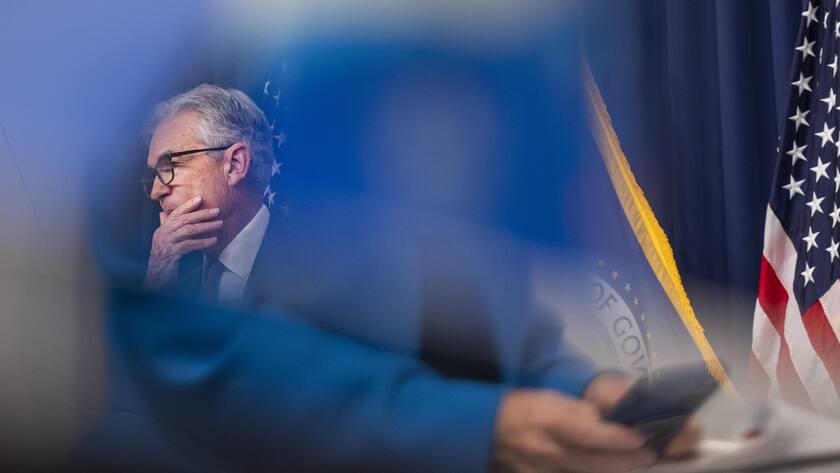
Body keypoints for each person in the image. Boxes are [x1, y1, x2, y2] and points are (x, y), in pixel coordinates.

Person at [116, 83, 699, 472]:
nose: (159, 189)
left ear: (236, 163)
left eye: (172, 166)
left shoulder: (331, 255)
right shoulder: (166, 286)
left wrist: (587, 390)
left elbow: (492, 349)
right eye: (153, 176)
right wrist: (157, 285)